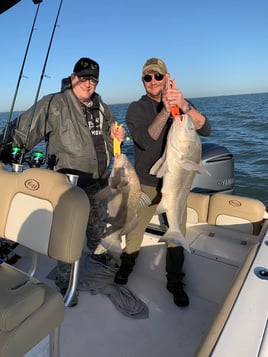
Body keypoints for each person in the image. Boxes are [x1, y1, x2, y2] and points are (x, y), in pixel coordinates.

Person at [0, 57, 124, 299]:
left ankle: (100, 256)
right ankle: (64, 279)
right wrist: (4, 147)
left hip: (98, 183)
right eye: (84, 77)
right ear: (74, 77)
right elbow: (24, 130)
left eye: (94, 79)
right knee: (70, 237)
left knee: (97, 229)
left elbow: (110, 142)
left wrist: (117, 138)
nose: (89, 83)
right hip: (69, 187)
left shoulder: (102, 108)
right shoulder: (54, 104)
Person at [114, 58, 211, 308]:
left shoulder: (181, 103)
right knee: (135, 230)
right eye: (148, 77)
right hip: (145, 183)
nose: (153, 81)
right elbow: (145, 141)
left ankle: (175, 282)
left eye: (158, 76)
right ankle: (127, 266)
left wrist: (184, 106)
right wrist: (167, 111)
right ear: (143, 81)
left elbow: (206, 128)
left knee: (176, 233)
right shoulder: (136, 108)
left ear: (166, 77)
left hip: (176, 183)